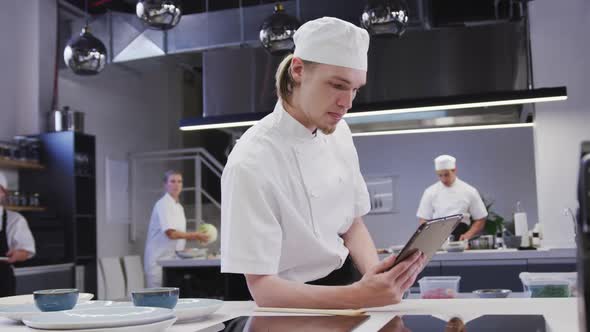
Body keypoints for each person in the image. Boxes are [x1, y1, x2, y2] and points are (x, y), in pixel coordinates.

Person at [220, 17, 426, 309]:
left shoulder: (339, 132)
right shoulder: (251, 161)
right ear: (299, 69)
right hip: (291, 307)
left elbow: (352, 224)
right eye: (337, 85)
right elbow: (263, 289)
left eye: (355, 89)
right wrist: (360, 295)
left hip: (348, 287)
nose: (347, 102)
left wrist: (380, 279)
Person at [144, 170, 209, 287]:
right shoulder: (163, 204)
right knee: (158, 301)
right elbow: (171, 234)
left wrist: (187, 248)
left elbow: (180, 235)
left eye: (179, 181)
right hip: (158, 262)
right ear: (165, 185)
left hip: (172, 261)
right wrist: (196, 235)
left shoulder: (178, 207)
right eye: (172, 181)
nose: (176, 184)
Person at [417, 155, 488, 241]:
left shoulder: (469, 191)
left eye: (446, 175)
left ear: (454, 170)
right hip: (438, 236)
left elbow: (481, 218)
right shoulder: (430, 192)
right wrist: (432, 237)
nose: (443, 179)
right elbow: (423, 219)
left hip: (461, 235)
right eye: (440, 175)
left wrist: (468, 235)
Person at [0, 171, 35, 296]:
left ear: (3, 192)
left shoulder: (15, 219)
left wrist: (17, 254)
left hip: (2, 281)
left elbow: (26, 251)